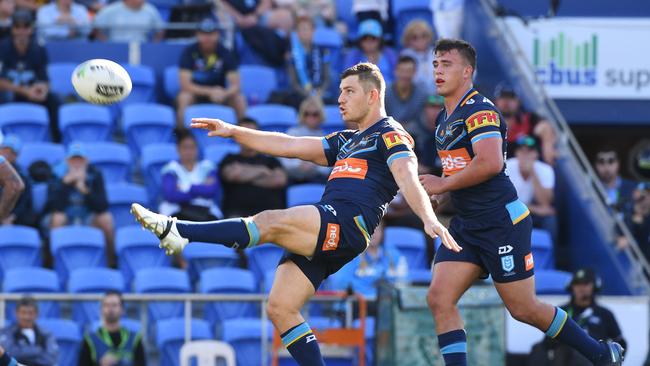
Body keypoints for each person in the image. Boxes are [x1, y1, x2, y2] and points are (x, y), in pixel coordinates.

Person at [130, 62, 459, 366]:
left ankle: (178, 230)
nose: (340, 99)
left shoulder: (391, 133)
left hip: (345, 222)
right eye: (341, 91)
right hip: (331, 230)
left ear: (373, 96)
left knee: (270, 221)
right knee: (281, 307)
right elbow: (287, 145)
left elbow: (406, 176)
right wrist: (233, 130)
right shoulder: (346, 140)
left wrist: (428, 218)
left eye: (349, 91)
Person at [419, 39, 623, 366]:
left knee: (523, 309)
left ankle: (601, 354)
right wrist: (443, 191)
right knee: (439, 298)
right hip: (468, 225)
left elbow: (490, 164)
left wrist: (444, 183)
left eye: (447, 64)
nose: (438, 71)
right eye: (435, 64)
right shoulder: (444, 117)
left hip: (501, 223)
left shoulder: (480, 110)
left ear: (467, 71)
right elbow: (461, 168)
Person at [527, 268, 627, 366]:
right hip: (562, 356)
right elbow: (547, 343)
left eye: (586, 284)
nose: (581, 288)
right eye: (577, 284)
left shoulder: (604, 314)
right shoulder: (561, 311)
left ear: (594, 286)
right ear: (572, 287)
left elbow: (621, 344)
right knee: (538, 349)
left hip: (592, 359)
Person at [47, 144, 115, 266]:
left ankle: (111, 263)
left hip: (88, 216)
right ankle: (54, 264)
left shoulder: (95, 175)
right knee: (57, 218)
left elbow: (102, 206)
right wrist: (65, 184)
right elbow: (53, 206)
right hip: (66, 216)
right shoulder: (56, 175)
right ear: (67, 161)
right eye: (73, 160)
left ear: (86, 161)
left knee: (106, 219)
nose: (77, 163)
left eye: (80, 160)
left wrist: (84, 189)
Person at [0, 10, 61, 142]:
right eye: (18, 27)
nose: (22, 31)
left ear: (31, 29)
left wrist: (42, 90)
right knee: (5, 96)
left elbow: (45, 79)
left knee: (54, 100)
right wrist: (24, 91)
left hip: (30, 93)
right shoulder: (3, 47)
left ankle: (57, 141)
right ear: (12, 29)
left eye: (26, 26)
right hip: (10, 93)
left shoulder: (38, 49)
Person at [176, 18, 246, 126]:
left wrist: (224, 93)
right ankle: (182, 134)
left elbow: (236, 85)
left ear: (217, 35)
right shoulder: (189, 51)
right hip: (196, 93)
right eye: (203, 34)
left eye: (211, 34)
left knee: (239, 98)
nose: (207, 38)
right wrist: (210, 91)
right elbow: (185, 85)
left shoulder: (225, 52)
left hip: (220, 95)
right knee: (184, 97)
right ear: (197, 35)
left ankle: (243, 135)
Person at [218, 117, 288, 218]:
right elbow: (233, 175)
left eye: (252, 134)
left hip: (271, 215)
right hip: (237, 216)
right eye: (244, 134)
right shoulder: (229, 159)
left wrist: (245, 174)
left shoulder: (271, 161)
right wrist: (262, 171)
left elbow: (279, 180)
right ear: (236, 138)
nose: (249, 138)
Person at [160, 129, 222, 221]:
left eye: (192, 147)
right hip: (178, 214)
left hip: (205, 213)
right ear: (178, 149)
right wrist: (200, 189)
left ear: (197, 149)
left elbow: (211, 191)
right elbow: (170, 195)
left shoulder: (207, 167)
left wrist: (186, 188)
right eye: (185, 147)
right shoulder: (170, 169)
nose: (189, 151)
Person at [506, 135, 557, 244]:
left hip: (531, 214)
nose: (525, 155)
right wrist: (534, 208)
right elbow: (503, 201)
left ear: (536, 154)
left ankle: (549, 257)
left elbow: (545, 203)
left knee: (550, 219)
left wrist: (532, 172)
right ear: (517, 153)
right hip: (511, 211)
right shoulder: (507, 166)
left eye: (529, 151)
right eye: (521, 150)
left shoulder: (545, 169)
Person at [493, 82, 556, 164]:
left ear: (518, 102)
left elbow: (544, 128)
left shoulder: (529, 119)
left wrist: (548, 147)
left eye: (511, 98)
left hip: (525, 170)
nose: (507, 102)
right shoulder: (486, 121)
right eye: (503, 98)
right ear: (495, 101)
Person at [78, 291, 146, 366]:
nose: (110, 309)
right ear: (101, 310)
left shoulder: (134, 339)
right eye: (106, 305)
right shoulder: (90, 340)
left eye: (114, 305)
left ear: (122, 310)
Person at [283, 15, 331, 109]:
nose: (304, 32)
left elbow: (327, 78)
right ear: (297, 33)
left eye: (306, 29)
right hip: (300, 94)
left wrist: (320, 92)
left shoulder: (323, 51)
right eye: (301, 30)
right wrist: (308, 95)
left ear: (313, 31)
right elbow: (294, 83)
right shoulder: (292, 54)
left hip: (319, 92)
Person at [282, 96, 331, 184]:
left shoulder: (325, 137)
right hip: (293, 177)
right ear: (302, 115)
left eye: (315, 114)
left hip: (318, 178)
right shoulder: (293, 133)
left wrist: (314, 165)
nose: (310, 117)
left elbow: (329, 165)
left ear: (321, 116)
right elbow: (284, 159)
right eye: (306, 114)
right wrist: (299, 165)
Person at [0, 296, 59, 366]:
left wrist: (23, 352)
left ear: (37, 314)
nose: (26, 317)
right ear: (16, 313)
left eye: (30, 313)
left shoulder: (46, 333)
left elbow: (50, 359)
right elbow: (9, 356)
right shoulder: (6, 332)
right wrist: (38, 350)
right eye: (23, 312)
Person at [344, 19, 397, 85]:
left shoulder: (389, 54)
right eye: (365, 38)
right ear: (359, 41)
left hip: (388, 93)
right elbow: (348, 80)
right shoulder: (353, 55)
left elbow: (398, 77)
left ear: (380, 40)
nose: (369, 42)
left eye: (373, 38)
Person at [385, 55, 428, 132]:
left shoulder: (421, 93)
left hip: (415, 135)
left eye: (408, 71)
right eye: (402, 71)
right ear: (395, 71)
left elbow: (422, 122)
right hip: (390, 133)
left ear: (415, 72)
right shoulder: (385, 93)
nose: (405, 75)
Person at [0, 134, 36, 227]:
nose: (6, 154)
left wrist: (9, 216)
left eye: (11, 152)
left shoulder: (23, 174)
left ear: (16, 156)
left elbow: (24, 201)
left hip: (15, 217)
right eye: (4, 150)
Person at [93, 0, 164, 43]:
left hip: (142, 48)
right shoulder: (111, 10)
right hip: (115, 48)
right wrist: (106, 43)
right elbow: (96, 27)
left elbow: (160, 30)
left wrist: (154, 45)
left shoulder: (150, 10)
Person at [594, 147, 636, 213]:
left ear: (618, 163)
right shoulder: (590, 190)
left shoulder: (633, 189)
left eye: (611, 161)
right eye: (601, 162)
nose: (606, 167)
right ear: (596, 165)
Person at [400, 20, 436, 93]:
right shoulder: (406, 55)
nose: (420, 40)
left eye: (423, 36)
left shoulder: (436, 53)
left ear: (429, 37)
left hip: (437, 96)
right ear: (408, 40)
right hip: (415, 96)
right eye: (414, 37)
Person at [624, 182, 650, 262]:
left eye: (648, 194)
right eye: (641, 193)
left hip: (641, 261)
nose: (644, 197)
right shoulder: (626, 208)